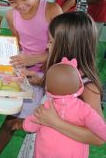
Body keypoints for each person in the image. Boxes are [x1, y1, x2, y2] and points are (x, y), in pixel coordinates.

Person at [0, 0, 62, 158]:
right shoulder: (11, 15)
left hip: (50, 74)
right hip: (25, 73)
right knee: (10, 119)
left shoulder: (52, 10)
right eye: (12, 2)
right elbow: (18, 43)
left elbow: (66, 50)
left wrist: (37, 58)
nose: (20, 7)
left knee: (45, 124)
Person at [17, 11, 105, 158]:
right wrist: (39, 81)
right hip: (42, 143)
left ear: (67, 46)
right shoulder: (61, 72)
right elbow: (60, 97)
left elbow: (99, 137)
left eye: (51, 42)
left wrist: (55, 122)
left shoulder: (88, 88)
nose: (47, 45)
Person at [23, 57, 106, 158]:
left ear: (47, 88)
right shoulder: (84, 109)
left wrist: (28, 122)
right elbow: (101, 130)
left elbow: (29, 126)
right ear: (80, 85)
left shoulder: (47, 106)